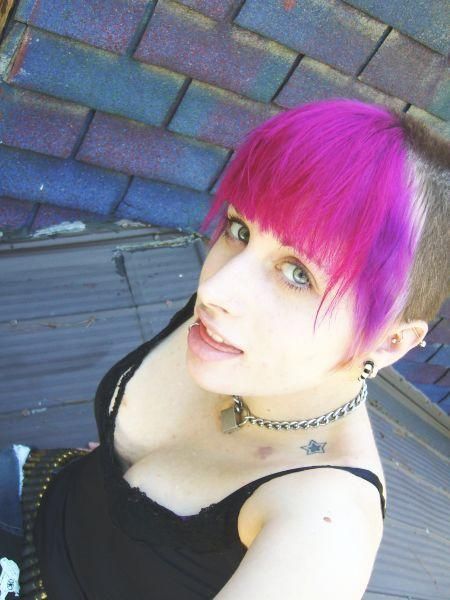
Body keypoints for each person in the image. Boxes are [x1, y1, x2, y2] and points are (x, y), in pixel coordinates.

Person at [1, 97, 449, 600]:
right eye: (240, 229)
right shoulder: (227, 328)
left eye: (298, 273)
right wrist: (116, 464)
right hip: (37, 483)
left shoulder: (325, 525)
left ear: (389, 341)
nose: (214, 290)